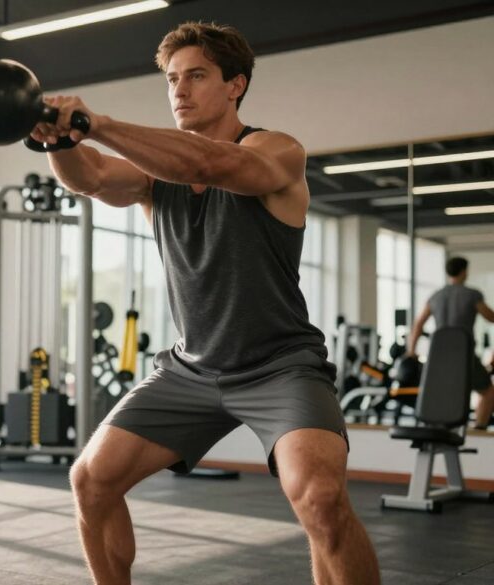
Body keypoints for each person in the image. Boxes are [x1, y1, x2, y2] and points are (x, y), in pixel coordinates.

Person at [30, 21, 380, 584]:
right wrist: (59, 141)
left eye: (196, 76)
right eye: (172, 79)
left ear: (235, 84)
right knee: (91, 480)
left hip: (280, 366)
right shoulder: (153, 175)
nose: (179, 91)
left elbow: (207, 165)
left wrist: (97, 123)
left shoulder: (276, 151)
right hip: (191, 369)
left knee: (319, 500)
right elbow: (91, 178)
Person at [406, 256, 494, 430]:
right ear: (464, 271)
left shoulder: (436, 296)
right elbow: (491, 317)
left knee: (445, 391)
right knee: (488, 392)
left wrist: (411, 351)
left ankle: (442, 428)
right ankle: (480, 429)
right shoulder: (472, 294)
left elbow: (418, 324)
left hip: (438, 356)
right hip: (463, 354)